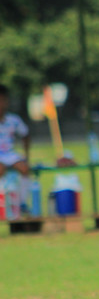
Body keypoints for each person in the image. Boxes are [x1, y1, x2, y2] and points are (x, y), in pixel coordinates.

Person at [0, 84, 31, 212]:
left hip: (9, 154)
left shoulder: (13, 120)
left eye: (3, 100)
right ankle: (3, 202)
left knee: (24, 168)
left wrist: (26, 155)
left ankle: (21, 202)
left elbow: (25, 135)